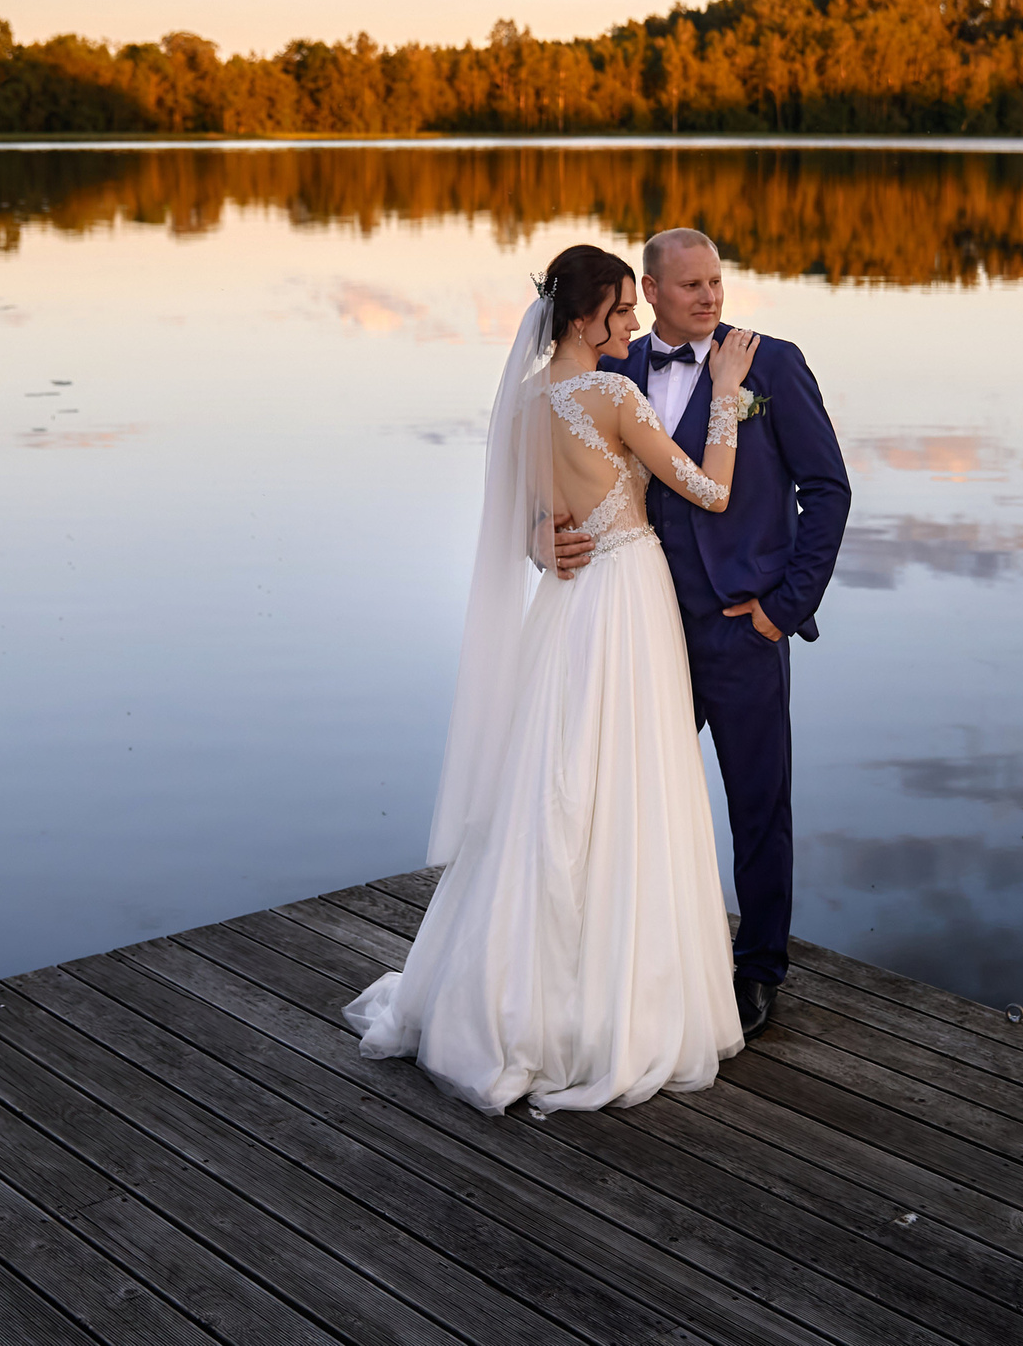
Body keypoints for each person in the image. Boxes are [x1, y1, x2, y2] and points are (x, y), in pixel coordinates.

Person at [344, 244, 761, 1114]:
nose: (635, 324)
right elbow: (708, 492)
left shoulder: (529, 403)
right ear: (585, 320)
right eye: (622, 311)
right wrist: (725, 397)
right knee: (628, 779)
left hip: (568, 606)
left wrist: (542, 539)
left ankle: (507, 983)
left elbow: (541, 519)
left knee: (555, 779)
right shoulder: (612, 394)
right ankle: (608, 999)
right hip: (626, 596)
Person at [568, 227, 850, 1041]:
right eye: (689, 285)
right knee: (618, 791)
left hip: (741, 628)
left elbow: (828, 491)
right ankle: (627, 952)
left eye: (716, 282)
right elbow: (573, 482)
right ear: (648, 293)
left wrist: (781, 610)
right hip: (645, 624)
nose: (710, 297)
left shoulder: (772, 364)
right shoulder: (612, 367)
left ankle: (758, 969)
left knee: (758, 805)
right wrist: (544, 537)